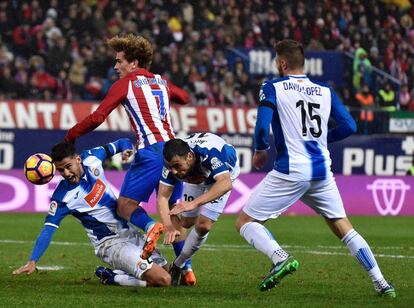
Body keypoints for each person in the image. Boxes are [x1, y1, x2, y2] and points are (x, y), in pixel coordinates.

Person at [235, 39, 396, 298]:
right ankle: (381, 282)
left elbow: (263, 126)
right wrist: (320, 139)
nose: (277, 65)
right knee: (343, 226)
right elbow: (349, 126)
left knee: (245, 221)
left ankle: (279, 257)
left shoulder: (272, 87)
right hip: (322, 173)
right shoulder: (325, 90)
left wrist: (260, 149)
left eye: (277, 61)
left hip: (291, 170)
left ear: (283, 63)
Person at [63, 34, 192, 280]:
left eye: (119, 61)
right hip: (174, 151)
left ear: (133, 63)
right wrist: (163, 88)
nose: (115, 66)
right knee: (175, 214)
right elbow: (184, 98)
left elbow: (98, 117)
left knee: (124, 206)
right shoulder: (160, 81)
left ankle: (150, 227)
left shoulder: (126, 83)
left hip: (151, 152)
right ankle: (186, 271)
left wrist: (70, 136)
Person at [12, 139, 171, 287]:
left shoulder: (92, 158)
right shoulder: (62, 197)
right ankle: (112, 278)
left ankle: (125, 270)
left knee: (168, 271)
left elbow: (123, 142)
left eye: (68, 166)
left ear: (78, 159)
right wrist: (33, 260)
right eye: (61, 170)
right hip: (110, 244)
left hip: (129, 232)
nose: (66, 173)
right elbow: (48, 229)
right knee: (163, 280)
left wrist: (127, 150)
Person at [157, 133, 240, 286]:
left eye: (177, 166)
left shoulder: (209, 154)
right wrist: (168, 227)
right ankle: (181, 265)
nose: (173, 171)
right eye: (170, 167)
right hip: (196, 178)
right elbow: (162, 197)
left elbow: (225, 183)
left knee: (203, 225)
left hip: (223, 177)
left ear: (189, 156)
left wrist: (193, 203)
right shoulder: (171, 165)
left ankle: (179, 264)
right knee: (187, 223)